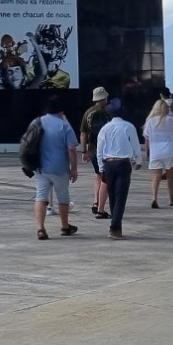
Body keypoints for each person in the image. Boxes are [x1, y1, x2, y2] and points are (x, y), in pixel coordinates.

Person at [30, 93, 81, 240]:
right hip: (59, 169)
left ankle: (40, 229)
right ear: (61, 110)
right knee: (63, 197)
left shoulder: (37, 122)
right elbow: (71, 148)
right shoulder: (64, 125)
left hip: (40, 167)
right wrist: (74, 168)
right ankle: (65, 226)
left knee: (41, 196)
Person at [93, 99, 143, 237]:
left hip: (108, 163)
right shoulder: (128, 127)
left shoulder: (105, 128)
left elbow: (99, 150)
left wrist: (101, 167)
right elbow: (136, 146)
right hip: (123, 163)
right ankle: (115, 227)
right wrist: (138, 160)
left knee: (113, 195)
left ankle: (115, 225)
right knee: (121, 195)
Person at [79, 85, 113, 218]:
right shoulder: (108, 113)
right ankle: (100, 206)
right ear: (104, 98)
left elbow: (83, 134)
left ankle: (96, 201)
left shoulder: (88, 113)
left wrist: (84, 151)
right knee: (105, 178)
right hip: (108, 150)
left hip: (93, 149)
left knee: (99, 175)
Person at [143, 97, 173, 208]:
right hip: (169, 151)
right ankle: (171, 199)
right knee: (170, 177)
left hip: (155, 152)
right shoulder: (172, 121)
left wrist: (147, 153)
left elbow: (147, 138)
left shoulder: (150, 121)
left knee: (156, 176)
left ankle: (154, 198)